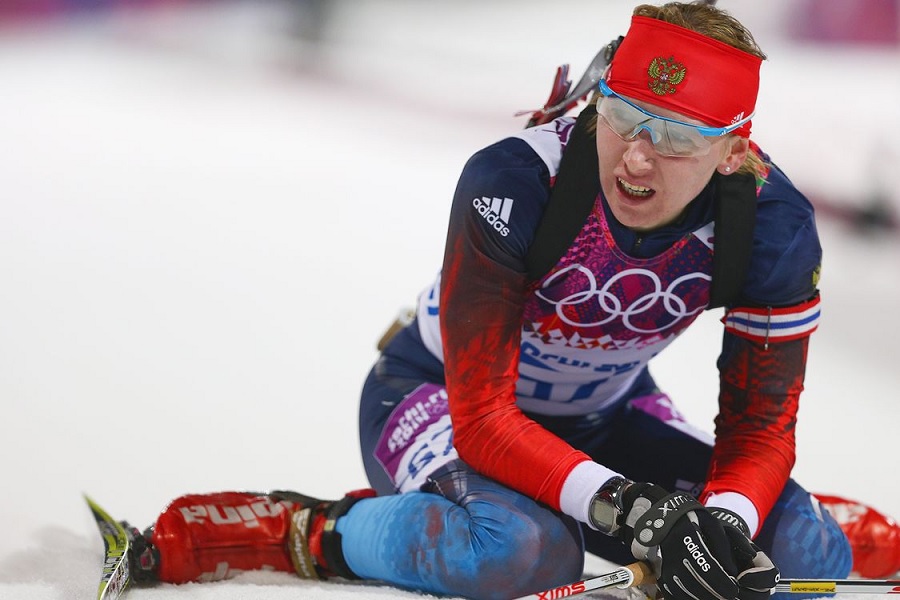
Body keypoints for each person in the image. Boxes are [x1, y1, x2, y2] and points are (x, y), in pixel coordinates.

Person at [117, 3, 900, 599]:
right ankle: (297, 530)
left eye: (675, 137)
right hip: (439, 396)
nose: (636, 157)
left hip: (603, 414)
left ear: (733, 149)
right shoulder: (519, 180)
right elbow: (486, 419)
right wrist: (634, 510)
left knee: (798, 551)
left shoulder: (772, 225)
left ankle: (824, 522)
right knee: (524, 552)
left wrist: (720, 523)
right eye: (622, 117)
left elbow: (760, 431)